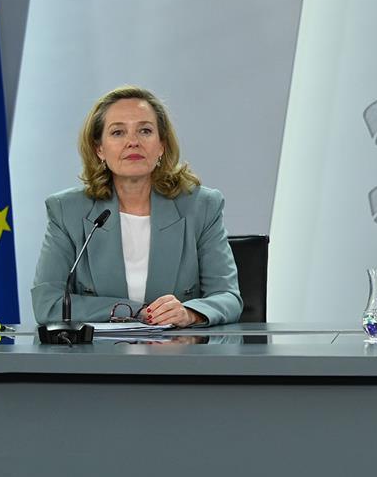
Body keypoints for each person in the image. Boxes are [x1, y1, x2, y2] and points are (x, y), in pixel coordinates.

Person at [32, 86, 242, 326]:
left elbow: (228, 297)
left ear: (161, 144)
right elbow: (47, 304)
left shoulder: (201, 206)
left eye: (145, 130)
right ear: (99, 149)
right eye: (118, 132)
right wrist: (134, 311)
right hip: (96, 359)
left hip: (179, 355)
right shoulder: (66, 210)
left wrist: (189, 313)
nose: (133, 142)